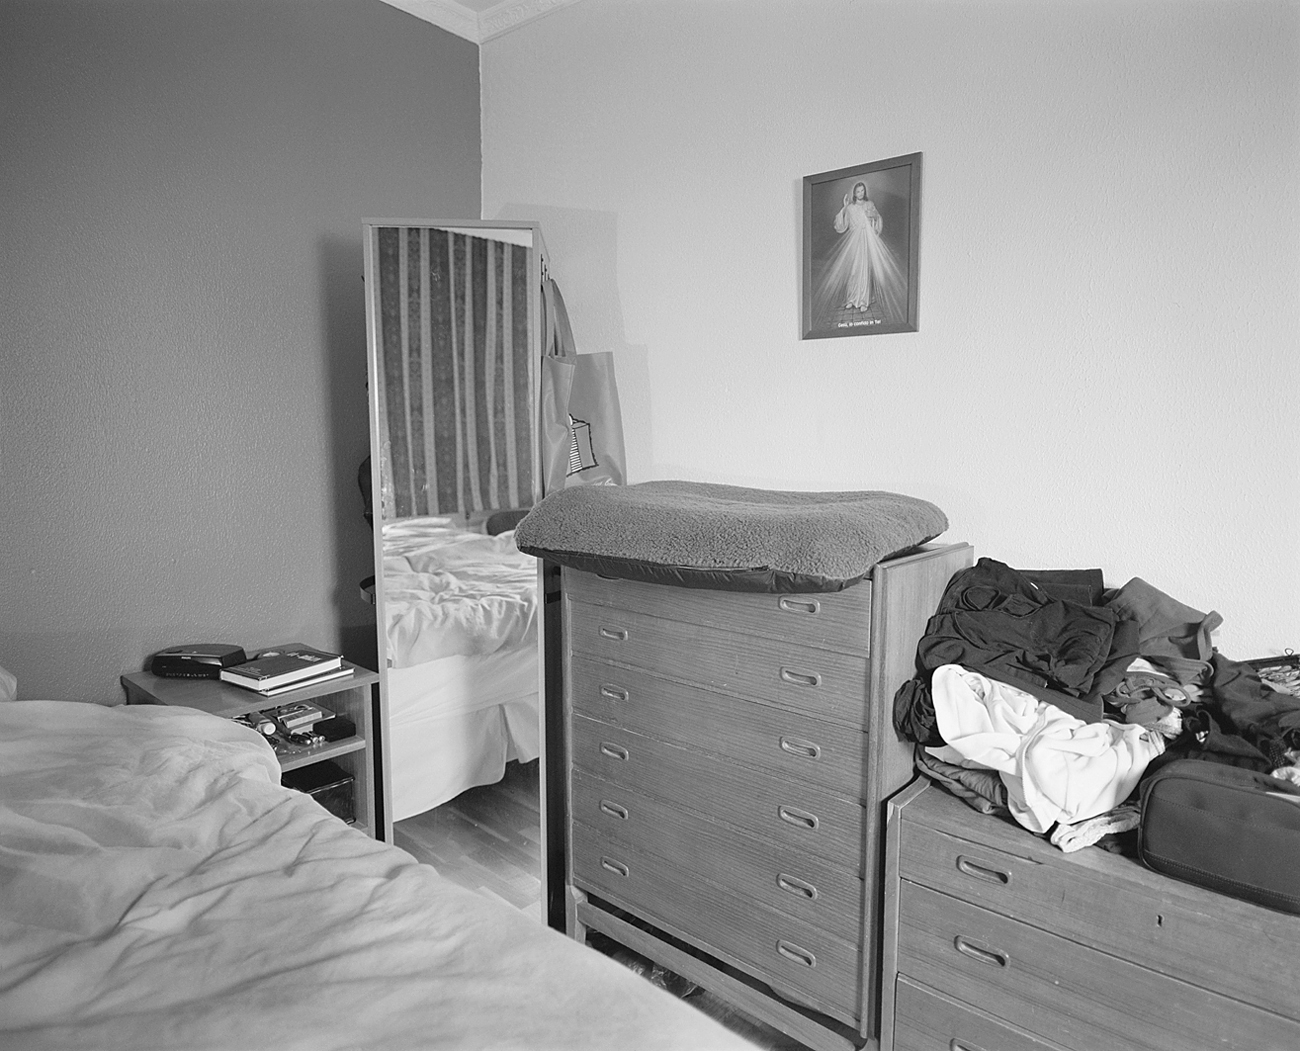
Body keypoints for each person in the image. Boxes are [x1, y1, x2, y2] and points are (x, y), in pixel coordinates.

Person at [815, 179, 907, 326]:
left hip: (865, 240)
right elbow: (841, 226)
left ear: (865, 191)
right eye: (858, 191)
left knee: (864, 270)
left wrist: (874, 223)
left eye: (862, 190)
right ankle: (852, 299)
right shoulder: (850, 207)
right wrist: (844, 208)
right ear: (854, 193)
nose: (860, 193)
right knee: (853, 271)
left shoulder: (869, 205)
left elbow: (877, 218)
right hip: (853, 242)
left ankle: (863, 300)